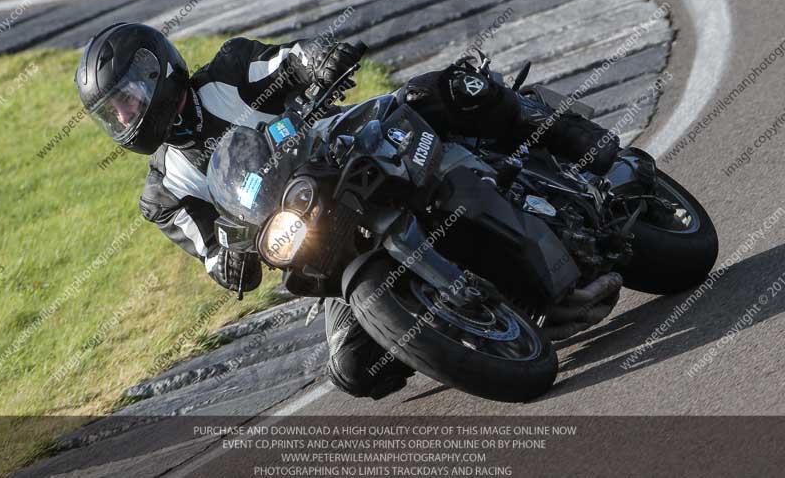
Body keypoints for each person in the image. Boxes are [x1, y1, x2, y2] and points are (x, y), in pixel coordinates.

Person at [76, 22, 618, 400]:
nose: (123, 117)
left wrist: (317, 59)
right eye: (111, 112)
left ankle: (564, 133)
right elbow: (211, 252)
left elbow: (289, 60)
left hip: (353, 150)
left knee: (442, 91)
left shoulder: (229, 71)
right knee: (354, 368)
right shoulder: (164, 193)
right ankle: (470, 330)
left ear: (155, 71)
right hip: (317, 238)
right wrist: (228, 263)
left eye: (126, 98)